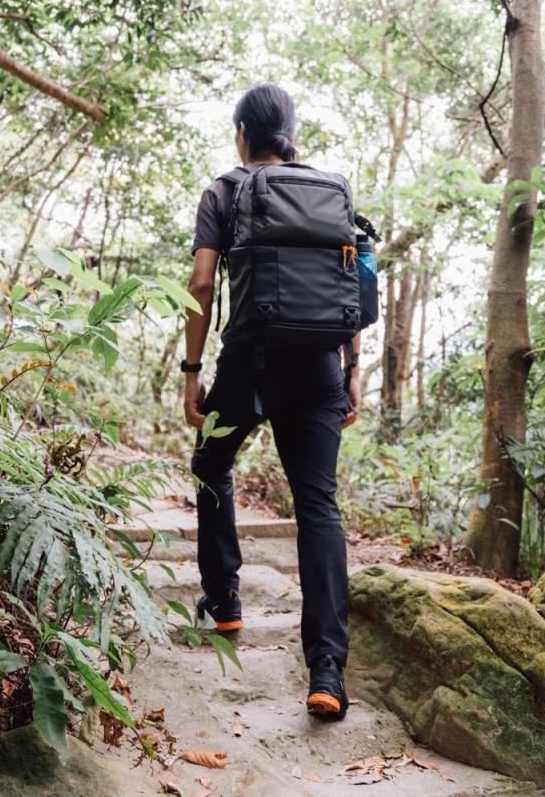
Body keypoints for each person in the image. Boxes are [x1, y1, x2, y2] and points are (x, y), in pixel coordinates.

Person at [181, 82, 362, 720]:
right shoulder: (330, 189)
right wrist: (351, 367)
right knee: (318, 506)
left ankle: (225, 602)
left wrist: (191, 372)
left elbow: (203, 283)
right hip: (319, 367)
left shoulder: (224, 190)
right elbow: (354, 279)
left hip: (250, 364)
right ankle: (327, 674)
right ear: (291, 133)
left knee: (210, 463)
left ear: (241, 133)